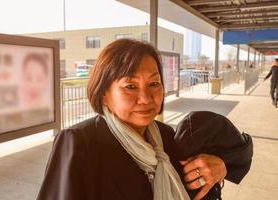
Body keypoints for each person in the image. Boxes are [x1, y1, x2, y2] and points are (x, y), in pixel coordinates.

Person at [37, 39, 228, 200]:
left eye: (154, 84)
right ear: (104, 93)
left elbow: (241, 149)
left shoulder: (167, 137)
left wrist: (221, 165)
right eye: (130, 86)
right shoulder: (78, 143)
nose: (145, 98)